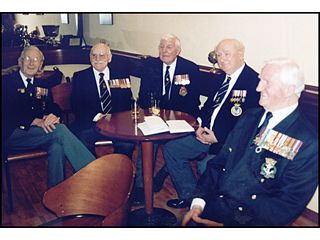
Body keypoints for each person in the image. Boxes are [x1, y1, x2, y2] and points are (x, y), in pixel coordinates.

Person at [182, 58, 318, 226]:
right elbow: (218, 163)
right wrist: (198, 203)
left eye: (266, 82)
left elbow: (286, 205)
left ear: (289, 90)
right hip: (215, 205)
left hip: (249, 220)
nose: (258, 87)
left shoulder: (308, 141)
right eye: (260, 80)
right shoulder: (249, 117)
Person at [163, 39, 260, 208]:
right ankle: (190, 196)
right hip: (205, 133)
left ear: (241, 54)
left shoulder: (253, 82)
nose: (222, 59)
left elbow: (249, 125)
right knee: (172, 149)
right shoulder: (221, 77)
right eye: (219, 55)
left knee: (205, 166)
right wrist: (199, 126)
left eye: (227, 54)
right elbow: (209, 106)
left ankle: (211, 207)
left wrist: (219, 137)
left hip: (229, 144)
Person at [2, 46, 96, 188]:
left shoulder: (41, 86)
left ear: (41, 65)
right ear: (20, 61)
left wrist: (53, 116)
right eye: (27, 58)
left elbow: (54, 107)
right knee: (59, 131)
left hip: (35, 135)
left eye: (36, 60)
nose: (31, 63)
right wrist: (36, 121)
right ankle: (96, 174)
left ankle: (55, 192)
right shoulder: (6, 82)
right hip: (11, 135)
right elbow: (8, 112)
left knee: (56, 145)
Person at [132, 34, 201, 205]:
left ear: (178, 50)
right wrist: (150, 116)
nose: (164, 51)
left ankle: (164, 172)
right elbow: (143, 96)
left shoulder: (190, 68)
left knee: (174, 148)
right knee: (148, 140)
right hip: (155, 115)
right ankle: (141, 187)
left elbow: (194, 101)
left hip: (181, 119)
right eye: (161, 47)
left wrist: (177, 120)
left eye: (169, 47)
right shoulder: (151, 65)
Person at [70, 42, 135, 158]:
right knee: (82, 140)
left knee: (127, 144)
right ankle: (95, 171)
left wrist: (115, 118)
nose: (97, 59)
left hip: (117, 124)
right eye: (94, 55)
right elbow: (76, 105)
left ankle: (119, 170)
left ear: (109, 58)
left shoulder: (121, 75)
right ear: (89, 58)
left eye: (102, 55)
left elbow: (126, 102)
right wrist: (98, 117)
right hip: (91, 123)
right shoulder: (80, 77)